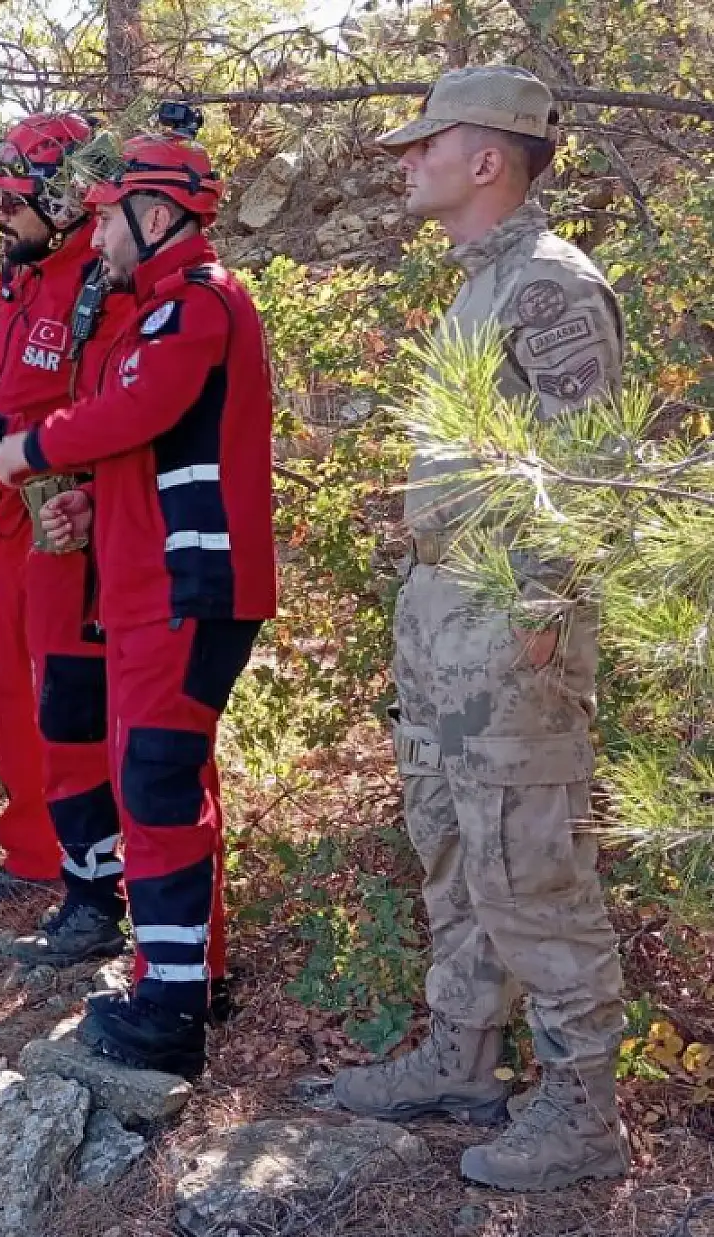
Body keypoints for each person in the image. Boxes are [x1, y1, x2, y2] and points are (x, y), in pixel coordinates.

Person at [329, 65, 630, 1192]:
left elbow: (591, 466)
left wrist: (544, 608)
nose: (406, 161)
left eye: (422, 144)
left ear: (486, 158)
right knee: (452, 850)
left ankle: (580, 1105)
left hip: (508, 625)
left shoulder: (547, 286)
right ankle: (461, 1056)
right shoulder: (482, 285)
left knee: (526, 864)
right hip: (445, 619)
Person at [0, 111, 276, 1078]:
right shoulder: (163, 306)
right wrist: (81, 498)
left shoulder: (193, 304)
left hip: (186, 590)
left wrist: (33, 447)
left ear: (157, 214)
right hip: (153, 588)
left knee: (155, 785)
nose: (98, 234)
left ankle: (169, 1014)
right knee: (171, 779)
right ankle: (190, 974)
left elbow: (138, 411)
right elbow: (153, 449)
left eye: (112, 216)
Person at [0, 112, 139, 965]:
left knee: (68, 698)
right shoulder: (20, 273)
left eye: (13, 199)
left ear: (58, 198)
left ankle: (98, 874)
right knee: (4, 687)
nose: (0, 215)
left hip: (66, 516)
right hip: (10, 512)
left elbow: (96, 405)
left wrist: (3, 434)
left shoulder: (102, 279)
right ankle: (32, 848)